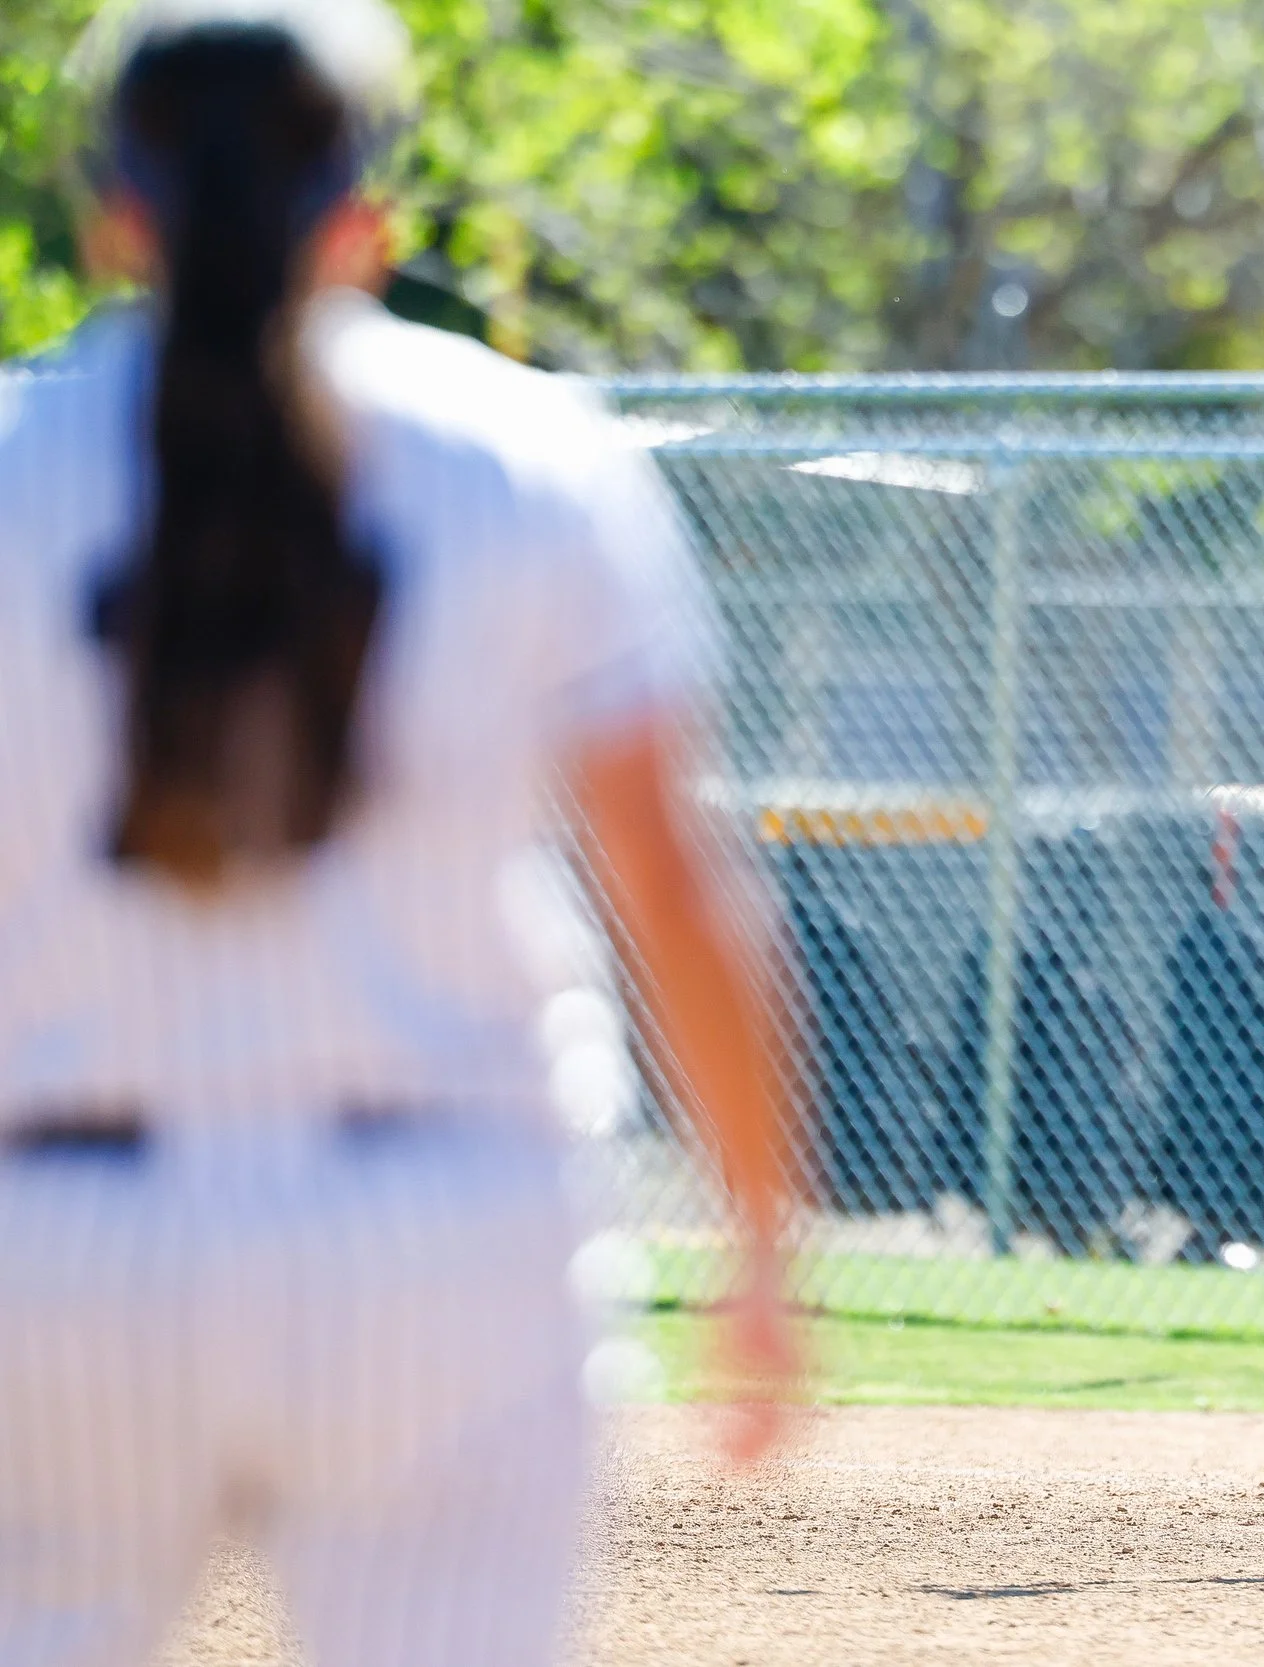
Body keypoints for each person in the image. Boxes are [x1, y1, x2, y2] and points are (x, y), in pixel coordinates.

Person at [0, 4, 798, 1663]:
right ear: (366, 210)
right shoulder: (523, 455)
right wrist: (762, 1238)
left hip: (60, 1240)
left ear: (111, 214)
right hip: (441, 1236)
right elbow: (670, 883)